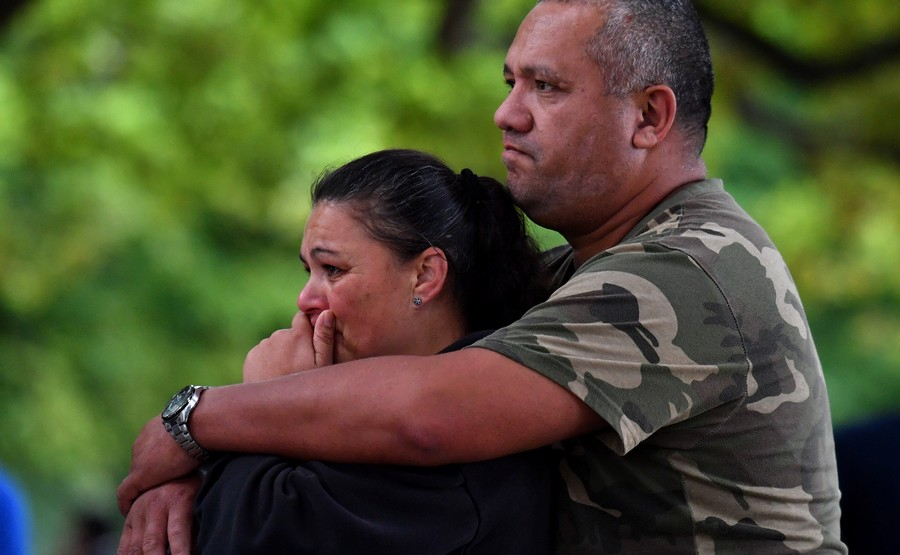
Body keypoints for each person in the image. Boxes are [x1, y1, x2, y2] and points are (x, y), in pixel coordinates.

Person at [118, 0, 848, 553]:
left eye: (547, 87)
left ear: (650, 116)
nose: (507, 113)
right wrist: (202, 459)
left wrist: (198, 419)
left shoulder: (691, 271)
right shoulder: (582, 271)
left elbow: (429, 412)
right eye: (510, 82)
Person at [120, 149, 555, 554]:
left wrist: (267, 395)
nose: (306, 299)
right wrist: (187, 479)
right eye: (309, 271)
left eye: (333, 269)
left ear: (425, 276)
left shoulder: (458, 452)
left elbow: (257, 536)